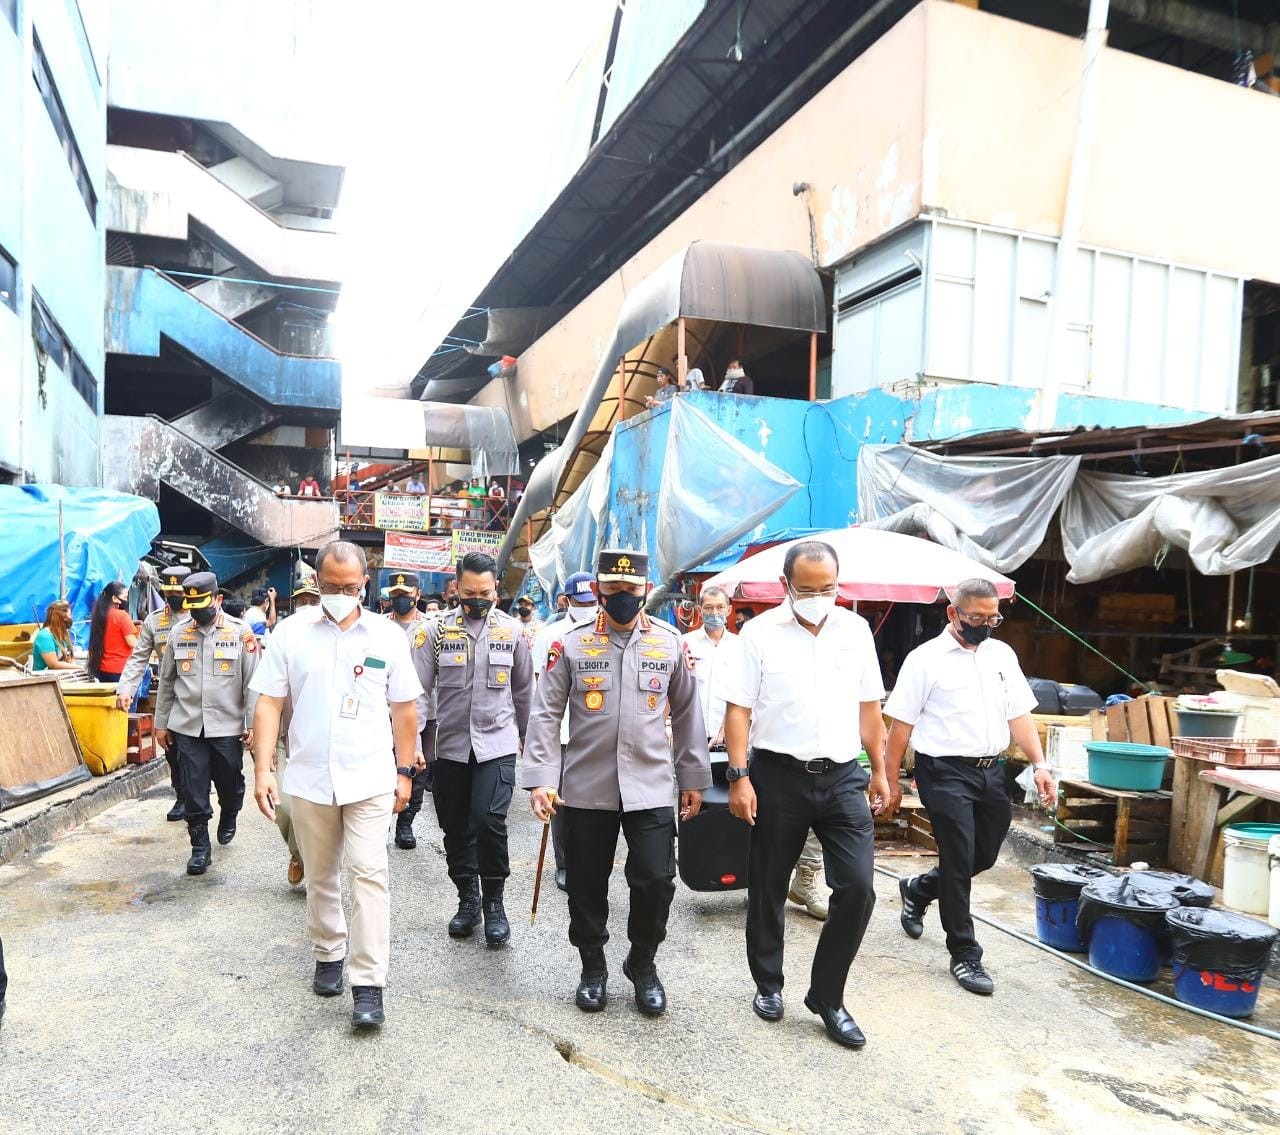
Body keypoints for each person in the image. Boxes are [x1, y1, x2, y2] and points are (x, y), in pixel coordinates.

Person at [523, 549, 710, 1016]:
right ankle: (592, 965)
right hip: (586, 787)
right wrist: (541, 779)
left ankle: (642, 962)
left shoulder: (669, 644)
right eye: (612, 591)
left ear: (646, 591)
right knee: (586, 884)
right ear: (598, 592)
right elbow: (545, 712)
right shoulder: (569, 644)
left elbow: (688, 713)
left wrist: (693, 778)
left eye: (630, 590)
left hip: (649, 785)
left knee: (655, 880)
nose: (621, 598)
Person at [721, 540, 888, 1049]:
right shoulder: (759, 633)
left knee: (858, 887)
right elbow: (738, 710)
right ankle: (768, 983)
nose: (819, 597)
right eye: (808, 589)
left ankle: (827, 995)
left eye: (829, 588)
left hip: (842, 777)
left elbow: (869, 708)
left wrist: (880, 770)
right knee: (768, 886)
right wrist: (739, 776)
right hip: (777, 775)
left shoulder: (855, 631)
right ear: (786, 585)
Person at [251, 541, 424, 1030]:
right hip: (308, 776)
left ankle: (369, 982)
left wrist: (405, 770)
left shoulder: (388, 637)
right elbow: (268, 702)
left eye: (349, 588)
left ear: (365, 584)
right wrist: (263, 770)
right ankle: (329, 951)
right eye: (330, 587)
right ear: (317, 583)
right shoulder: (291, 633)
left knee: (368, 874)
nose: (340, 595)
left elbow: (404, 708)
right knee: (321, 872)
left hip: (369, 776)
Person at [883, 578, 1055, 996]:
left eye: (992, 617)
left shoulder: (1001, 654)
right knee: (959, 860)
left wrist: (1040, 764)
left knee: (984, 854)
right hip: (942, 772)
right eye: (975, 617)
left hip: (989, 771)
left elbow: (1019, 715)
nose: (985, 624)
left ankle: (920, 887)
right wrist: (888, 779)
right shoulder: (925, 660)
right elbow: (900, 725)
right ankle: (965, 954)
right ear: (952, 613)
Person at [412, 552, 534, 947]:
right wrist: (412, 744)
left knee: (489, 821)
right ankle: (468, 898)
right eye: (469, 593)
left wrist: (537, 754)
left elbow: (525, 695)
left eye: (484, 593)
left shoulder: (513, 632)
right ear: (456, 589)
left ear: (496, 589)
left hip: (496, 745)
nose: (477, 600)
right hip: (448, 747)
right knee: (456, 827)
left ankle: (495, 903)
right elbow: (416, 694)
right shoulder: (434, 632)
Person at [154, 572, 259, 877]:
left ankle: (230, 812)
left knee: (230, 782)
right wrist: (161, 723)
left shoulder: (241, 633)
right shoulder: (178, 633)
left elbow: (253, 683)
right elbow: (167, 683)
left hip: (227, 725)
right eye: (192, 605)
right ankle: (200, 847)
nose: (197, 611)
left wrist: (251, 723)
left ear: (218, 600)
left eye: (203, 604)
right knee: (192, 786)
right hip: (187, 725)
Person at [530, 570, 598, 891]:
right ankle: (564, 863)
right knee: (560, 802)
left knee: (594, 802)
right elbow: (537, 688)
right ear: (566, 600)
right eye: (581, 601)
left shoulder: (606, 630)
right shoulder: (550, 635)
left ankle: (589, 860)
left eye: (592, 602)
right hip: (561, 732)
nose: (588, 607)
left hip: (596, 733)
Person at [116, 566, 191, 819]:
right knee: (172, 750)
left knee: (202, 753)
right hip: (170, 696)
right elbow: (138, 658)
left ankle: (205, 795)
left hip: (202, 695)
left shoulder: (201, 615)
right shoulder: (154, 620)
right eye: (168, 592)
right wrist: (126, 688)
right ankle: (182, 796)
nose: (173, 597)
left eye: (178, 592)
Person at [271, 575, 322, 887]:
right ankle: (297, 852)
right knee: (283, 805)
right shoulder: (283, 635)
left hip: (315, 738)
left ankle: (306, 860)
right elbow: (263, 693)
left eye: (311, 601)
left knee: (309, 808)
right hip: (281, 734)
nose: (306, 607)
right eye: (301, 601)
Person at [385, 571, 435, 852]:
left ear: (417, 595)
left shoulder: (432, 628)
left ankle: (406, 823)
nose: (400, 599)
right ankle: (380, 821)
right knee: (384, 765)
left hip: (425, 710)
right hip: (385, 710)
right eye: (395, 595)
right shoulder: (378, 628)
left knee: (418, 769)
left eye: (405, 594)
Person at [87, 582, 138, 682]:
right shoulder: (122, 616)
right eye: (125, 597)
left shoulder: (98, 616)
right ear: (115, 599)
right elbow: (133, 643)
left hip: (102, 669)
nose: (126, 600)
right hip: (121, 669)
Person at [31, 599, 79, 671]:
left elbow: (70, 658)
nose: (71, 618)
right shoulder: (45, 636)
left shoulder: (64, 634)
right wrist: (80, 668)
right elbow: (53, 664)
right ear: (64, 617)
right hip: (45, 679)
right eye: (70, 614)